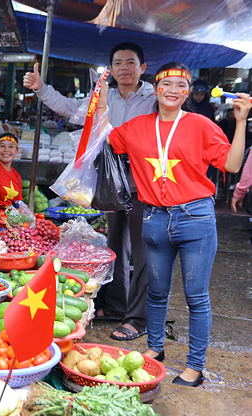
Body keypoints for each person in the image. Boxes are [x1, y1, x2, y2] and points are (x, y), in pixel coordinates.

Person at [100, 62, 251, 386]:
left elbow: (233, 163)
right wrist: (99, 97)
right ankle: (155, 350)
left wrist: (241, 122)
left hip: (195, 218)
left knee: (196, 296)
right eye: (166, 84)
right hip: (153, 218)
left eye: (180, 86)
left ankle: (195, 367)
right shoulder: (136, 126)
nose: (172, 90)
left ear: (186, 92)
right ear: (155, 89)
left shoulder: (201, 125)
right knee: (156, 292)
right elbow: (104, 137)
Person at [24, 42, 155, 341]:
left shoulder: (153, 98)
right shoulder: (102, 95)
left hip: (142, 184)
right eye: (118, 63)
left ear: (142, 68)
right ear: (111, 69)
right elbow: (71, 108)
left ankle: (138, 318)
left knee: (143, 252)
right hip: (110, 184)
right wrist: (41, 88)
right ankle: (117, 305)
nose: (124, 68)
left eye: (131, 63)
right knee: (114, 247)